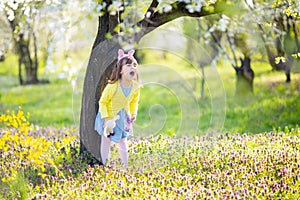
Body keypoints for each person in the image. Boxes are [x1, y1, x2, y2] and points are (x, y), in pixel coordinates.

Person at [94, 49, 141, 168]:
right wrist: (105, 119)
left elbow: (134, 102)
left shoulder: (135, 87)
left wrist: (133, 113)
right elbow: (103, 102)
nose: (133, 68)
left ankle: (125, 166)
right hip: (109, 117)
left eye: (134, 65)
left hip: (124, 117)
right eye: (129, 65)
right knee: (106, 140)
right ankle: (105, 164)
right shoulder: (113, 86)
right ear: (120, 70)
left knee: (123, 141)